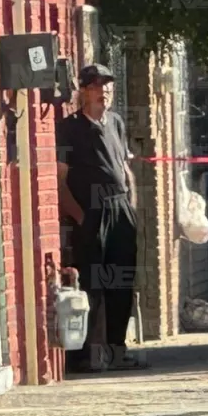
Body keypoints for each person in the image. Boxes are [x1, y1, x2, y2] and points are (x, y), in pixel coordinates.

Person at [56, 63, 145, 371]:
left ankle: (118, 351)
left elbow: (124, 167)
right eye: (97, 86)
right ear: (84, 91)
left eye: (108, 86)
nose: (104, 92)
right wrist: (81, 217)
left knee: (121, 281)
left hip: (121, 210)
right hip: (92, 213)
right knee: (92, 283)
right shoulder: (70, 128)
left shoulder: (116, 123)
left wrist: (130, 203)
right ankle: (84, 355)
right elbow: (60, 181)